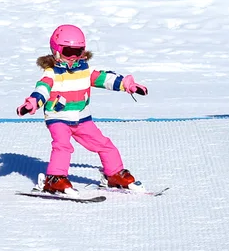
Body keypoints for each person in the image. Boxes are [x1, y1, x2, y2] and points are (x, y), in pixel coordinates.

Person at [16, 24, 148, 194]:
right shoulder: (52, 73)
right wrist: (32, 103)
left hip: (82, 119)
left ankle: (114, 175)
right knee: (63, 146)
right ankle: (54, 178)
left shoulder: (85, 70)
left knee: (104, 144)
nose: (72, 57)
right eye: (67, 51)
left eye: (77, 52)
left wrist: (127, 85)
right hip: (58, 117)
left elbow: (105, 78)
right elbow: (42, 89)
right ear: (56, 50)